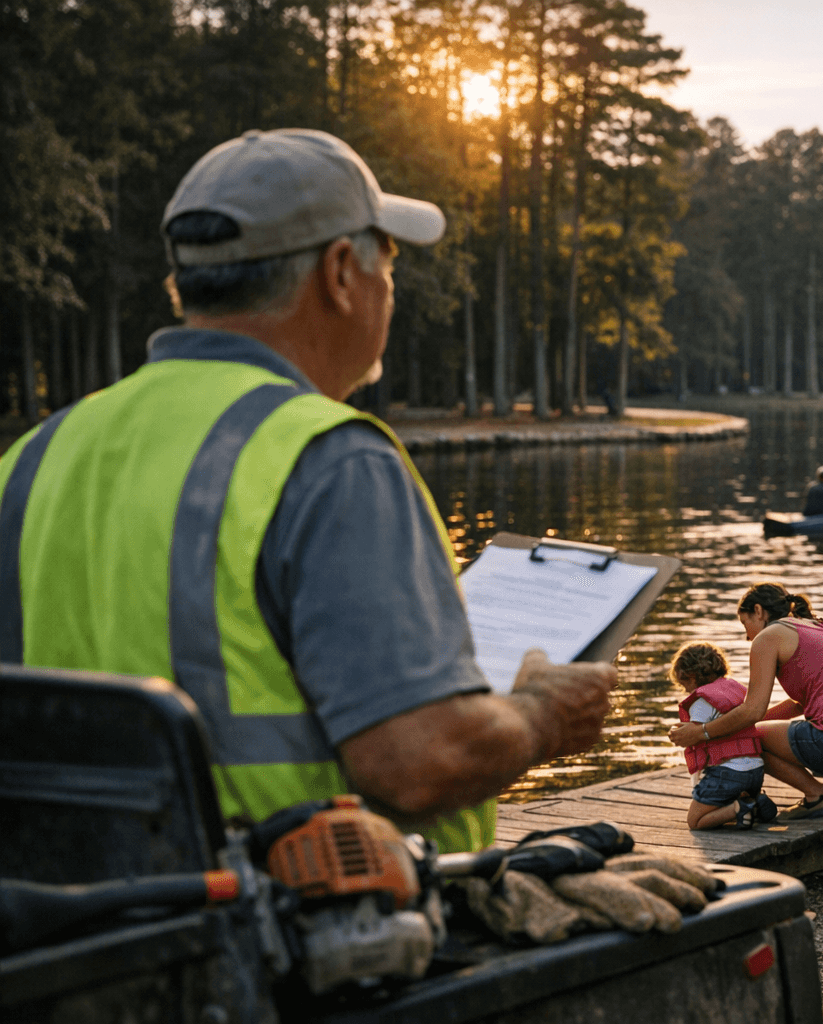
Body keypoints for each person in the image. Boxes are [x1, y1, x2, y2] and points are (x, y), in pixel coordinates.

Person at [0, 129, 615, 853]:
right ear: (339, 275)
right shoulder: (327, 458)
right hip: (302, 940)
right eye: (388, 261)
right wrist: (543, 714)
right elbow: (419, 761)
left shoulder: (32, 457)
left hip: (74, 935)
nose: (390, 285)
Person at [668, 582, 823, 819]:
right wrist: (741, 723)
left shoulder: (769, 637)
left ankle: (818, 795)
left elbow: (752, 712)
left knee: (753, 738)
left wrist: (701, 733)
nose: (748, 636)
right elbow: (799, 704)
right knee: (774, 728)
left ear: (758, 611)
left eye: (745, 623)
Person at [671, 641, 777, 830]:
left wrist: (677, 734)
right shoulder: (736, 688)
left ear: (692, 676)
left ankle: (738, 808)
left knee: (695, 821)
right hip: (755, 771)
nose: (686, 691)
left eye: (684, 684)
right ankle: (755, 801)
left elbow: (693, 735)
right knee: (728, 798)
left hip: (728, 774)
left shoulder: (701, 701)